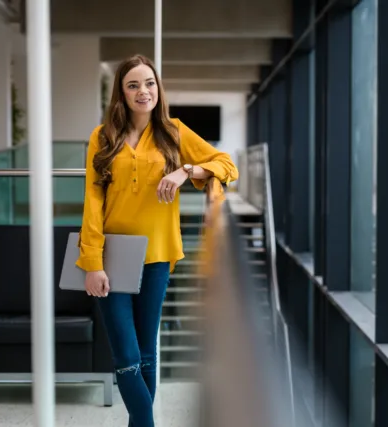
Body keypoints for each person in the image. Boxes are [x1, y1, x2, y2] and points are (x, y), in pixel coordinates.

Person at [76, 54, 238, 427]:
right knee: (127, 354)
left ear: (158, 89)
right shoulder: (102, 137)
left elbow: (227, 165)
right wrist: (93, 262)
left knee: (147, 350)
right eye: (133, 84)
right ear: (121, 92)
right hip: (112, 254)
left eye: (149, 83)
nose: (143, 91)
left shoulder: (174, 132)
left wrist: (187, 170)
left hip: (158, 253)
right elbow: (92, 201)